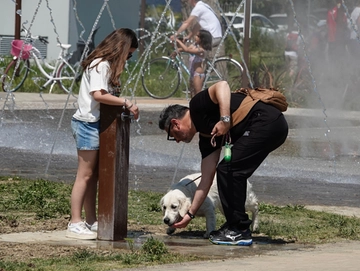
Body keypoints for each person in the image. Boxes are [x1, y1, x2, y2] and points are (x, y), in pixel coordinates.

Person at [158, 81, 288, 246]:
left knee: (229, 169)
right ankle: (235, 226)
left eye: (172, 135)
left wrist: (225, 120)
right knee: (227, 170)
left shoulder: (197, 105)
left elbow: (222, 85)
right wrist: (189, 216)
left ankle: (239, 230)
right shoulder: (206, 139)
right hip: (267, 126)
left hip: (267, 122)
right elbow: (205, 181)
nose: (176, 141)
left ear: (175, 123)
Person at [66, 28, 140, 240]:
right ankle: (75, 221)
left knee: (93, 176)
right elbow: (98, 95)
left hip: (93, 124)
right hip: (86, 124)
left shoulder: (102, 64)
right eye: (129, 53)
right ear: (122, 48)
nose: (129, 58)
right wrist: (125, 102)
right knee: (85, 175)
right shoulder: (101, 64)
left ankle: (89, 220)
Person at [172, 29, 212, 97]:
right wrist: (177, 50)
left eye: (197, 36)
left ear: (202, 39)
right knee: (192, 94)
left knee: (198, 94)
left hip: (198, 74)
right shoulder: (194, 45)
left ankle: (201, 107)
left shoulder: (201, 50)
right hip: (192, 73)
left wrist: (178, 40)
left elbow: (187, 50)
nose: (195, 37)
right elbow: (186, 48)